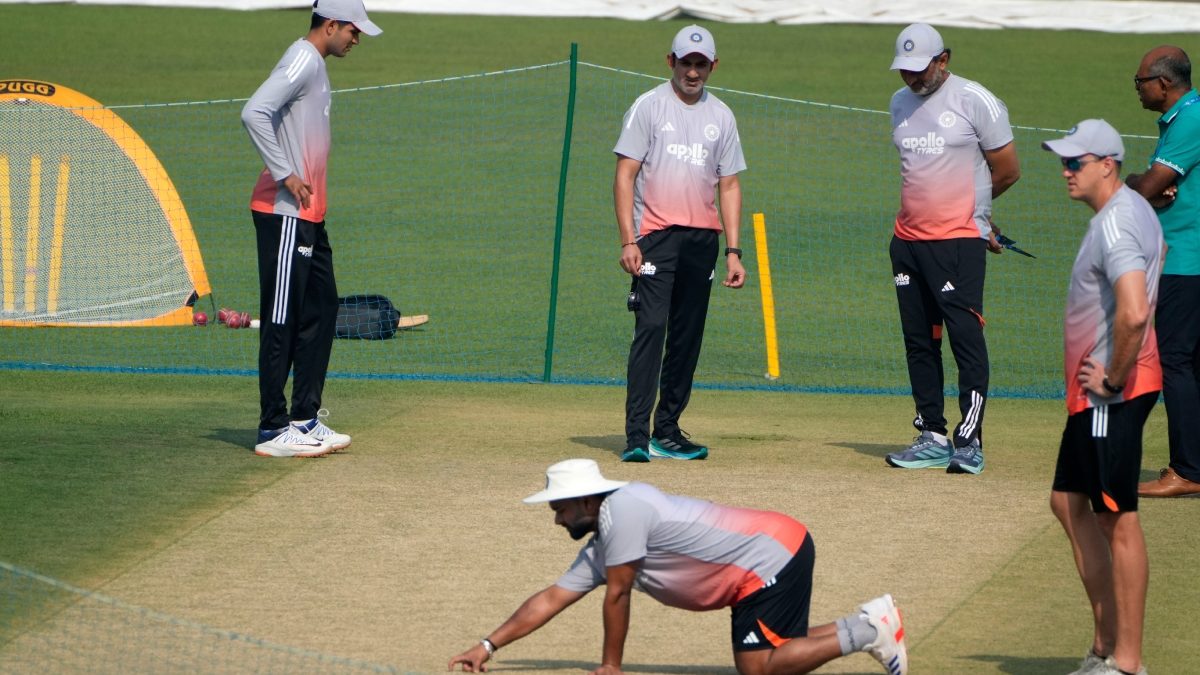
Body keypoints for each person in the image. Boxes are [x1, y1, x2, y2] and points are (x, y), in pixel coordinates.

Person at [448, 458, 907, 675]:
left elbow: (618, 594)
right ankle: (871, 621)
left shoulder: (623, 510)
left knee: (759, 669)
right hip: (770, 555)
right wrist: (487, 645)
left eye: (561, 507)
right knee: (773, 649)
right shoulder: (606, 537)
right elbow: (551, 598)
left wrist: (611, 666)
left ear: (588, 500)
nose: (556, 518)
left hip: (770, 557)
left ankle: (870, 633)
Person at [1043, 120, 1162, 675]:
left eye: (1075, 163)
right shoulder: (1129, 210)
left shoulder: (1116, 225)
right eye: (1064, 162)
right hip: (1097, 396)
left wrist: (1112, 381)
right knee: (1069, 502)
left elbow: (1134, 312)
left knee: (1118, 519)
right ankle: (1103, 644)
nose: (1065, 171)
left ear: (1108, 164)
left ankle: (1127, 663)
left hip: (1111, 395)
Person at [240, 0, 381, 458]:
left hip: (310, 217)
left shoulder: (316, 65)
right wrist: (285, 173)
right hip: (283, 212)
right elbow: (254, 111)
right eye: (353, 31)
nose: (356, 39)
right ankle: (271, 429)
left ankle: (303, 419)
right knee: (282, 318)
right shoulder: (302, 57)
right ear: (332, 24)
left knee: (321, 311)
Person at [883, 23, 1021, 475]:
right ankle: (932, 433)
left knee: (965, 338)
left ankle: (970, 439)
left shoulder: (975, 100)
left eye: (919, 69)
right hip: (907, 242)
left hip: (957, 242)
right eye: (904, 70)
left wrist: (975, 214)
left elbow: (1007, 170)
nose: (911, 78)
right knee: (919, 341)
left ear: (944, 59)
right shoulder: (899, 103)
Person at [613, 25, 747, 463]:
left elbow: (728, 185)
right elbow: (625, 175)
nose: (693, 71)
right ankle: (636, 435)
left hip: (702, 241)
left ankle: (667, 431)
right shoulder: (648, 107)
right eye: (686, 62)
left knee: (687, 337)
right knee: (651, 330)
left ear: (712, 66)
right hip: (655, 237)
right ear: (670, 62)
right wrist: (629, 240)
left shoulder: (722, 116)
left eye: (701, 64)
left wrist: (733, 250)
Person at [1125, 46, 1200, 498]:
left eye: (1140, 82)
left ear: (1164, 84)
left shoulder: (1189, 119)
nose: (1137, 89)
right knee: (1191, 363)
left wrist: (1138, 183)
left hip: (1185, 261)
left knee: (1176, 362)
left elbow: (1148, 187)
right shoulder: (1188, 116)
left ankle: (1187, 470)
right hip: (1188, 259)